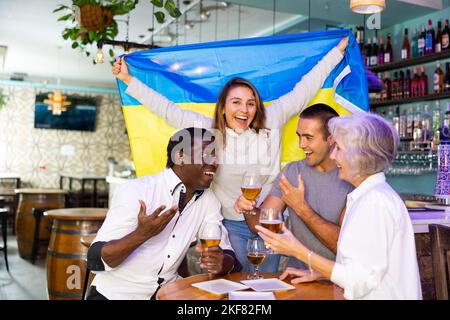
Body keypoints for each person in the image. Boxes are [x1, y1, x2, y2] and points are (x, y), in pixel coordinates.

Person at [112, 37, 349, 273]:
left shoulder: (272, 120)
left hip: (267, 223)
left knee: (263, 283)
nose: (244, 110)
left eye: (250, 104)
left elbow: (305, 89)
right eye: (236, 102)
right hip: (228, 225)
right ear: (223, 107)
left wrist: (337, 51)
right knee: (231, 283)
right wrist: (127, 79)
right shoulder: (208, 132)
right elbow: (165, 109)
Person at [256, 113, 422, 300]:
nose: (333, 156)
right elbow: (364, 268)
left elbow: (360, 281)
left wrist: (297, 251)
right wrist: (320, 274)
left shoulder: (375, 203)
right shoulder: (368, 196)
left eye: (339, 149)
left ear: (360, 155)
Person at [86, 127, 239, 300]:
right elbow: (96, 260)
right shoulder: (137, 191)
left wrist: (221, 262)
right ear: (179, 156)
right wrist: (141, 235)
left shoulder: (209, 200)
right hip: (118, 293)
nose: (215, 162)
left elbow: (227, 253)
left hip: (168, 292)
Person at [234, 104, 354, 269]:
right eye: (299, 136)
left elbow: (343, 246)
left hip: (337, 279)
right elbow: (262, 225)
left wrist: (301, 208)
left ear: (331, 138)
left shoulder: (350, 177)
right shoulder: (292, 171)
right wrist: (248, 208)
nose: (301, 144)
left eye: (308, 137)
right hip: (296, 276)